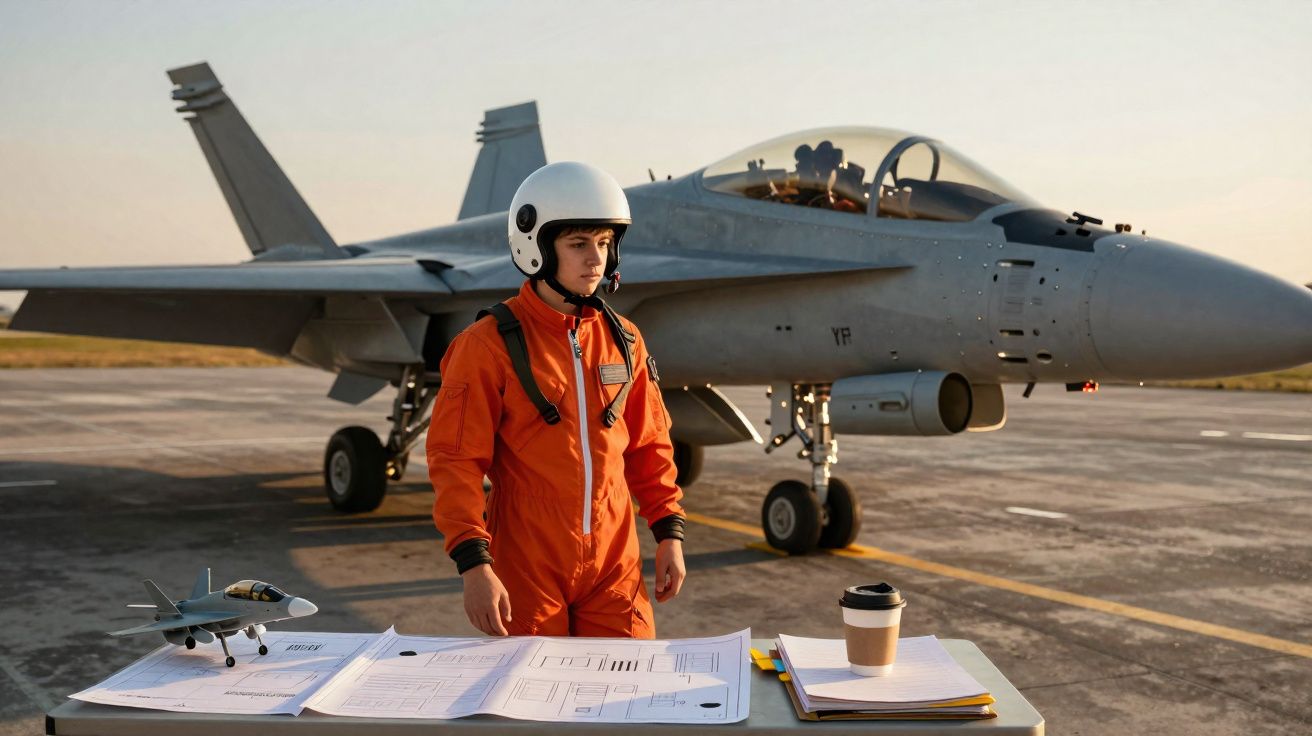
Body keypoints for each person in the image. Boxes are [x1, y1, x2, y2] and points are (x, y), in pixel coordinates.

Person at [426, 161, 687, 639]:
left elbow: (650, 445)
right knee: (533, 705)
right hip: (526, 564)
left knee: (630, 694)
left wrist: (669, 531)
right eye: (579, 244)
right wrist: (473, 565)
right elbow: (455, 460)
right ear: (537, 247)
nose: (596, 260)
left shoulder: (625, 341)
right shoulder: (487, 346)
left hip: (614, 564)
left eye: (605, 244)